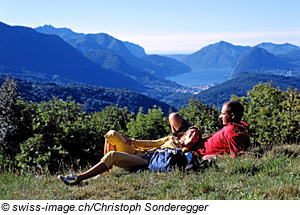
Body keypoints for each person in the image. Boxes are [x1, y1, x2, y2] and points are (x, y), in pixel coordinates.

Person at [58, 126, 201, 186]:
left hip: (145, 161)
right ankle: (105, 172)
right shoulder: (171, 139)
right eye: (192, 133)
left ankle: (78, 178)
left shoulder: (186, 153)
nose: (194, 136)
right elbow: (152, 143)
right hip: (138, 152)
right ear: (185, 133)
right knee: (111, 134)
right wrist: (131, 141)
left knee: (113, 155)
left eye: (196, 136)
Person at [169, 100, 250, 159]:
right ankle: (177, 143)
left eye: (222, 114)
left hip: (195, 151)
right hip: (198, 140)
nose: (220, 116)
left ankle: (177, 147)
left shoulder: (232, 131)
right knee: (173, 117)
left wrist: (214, 156)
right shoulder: (238, 126)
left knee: (167, 149)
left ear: (232, 116)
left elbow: (238, 157)